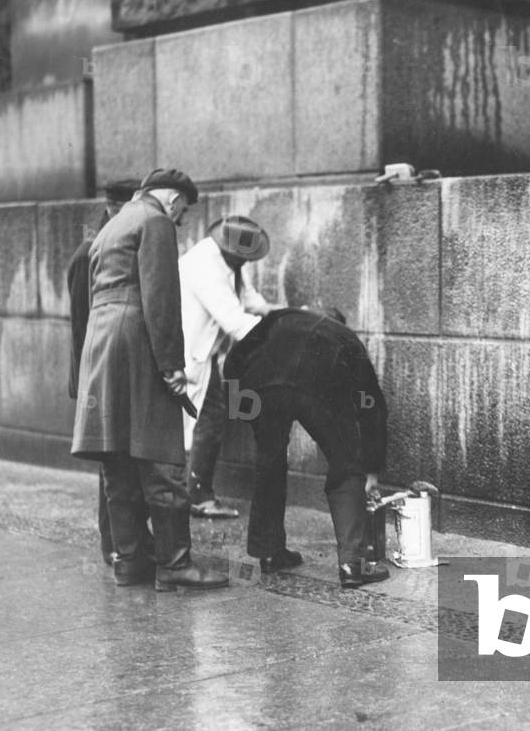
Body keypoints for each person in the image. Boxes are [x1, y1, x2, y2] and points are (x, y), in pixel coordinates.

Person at [72, 167, 228, 591]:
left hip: (102, 349)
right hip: (137, 347)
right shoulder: (155, 221)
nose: (178, 220)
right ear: (174, 200)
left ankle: (130, 561)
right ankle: (175, 564)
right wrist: (172, 366)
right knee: (160, 458)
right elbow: (160, 298)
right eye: (182, 212)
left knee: (118, 461)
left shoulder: (112, 225)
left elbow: (95, 298)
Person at [223, 306, 390, 588]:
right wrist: (371, 470)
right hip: (321, 386)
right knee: (346, 463)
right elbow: (372, 407)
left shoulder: (280, 318)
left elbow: (233, 360)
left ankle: (270, 553)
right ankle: (353, 565)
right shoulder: (346, 338)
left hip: (264, 386)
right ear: (338, 323)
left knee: (269, 463)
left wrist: (240, 410)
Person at [67, 178, 150, 566]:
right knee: (112, 462)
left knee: (122, 460)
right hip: (101, 374)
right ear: (119, 208)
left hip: (113, 371)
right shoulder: (94, 251)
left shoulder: (115, 243)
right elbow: (89, 327)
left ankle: (129, 540)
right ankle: (115, 544)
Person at [179, 215, 281, 520]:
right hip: (190, 355)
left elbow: (251, 301)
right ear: (229, 250)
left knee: (205, 420)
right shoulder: (205, 267)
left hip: (204, 356)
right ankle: (196, 495)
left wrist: (284, 313)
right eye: (242, 259)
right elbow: (235, 322)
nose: (245, 264)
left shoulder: (231, 261)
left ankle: (191, 491)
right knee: (205, 420)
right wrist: (283, 333)